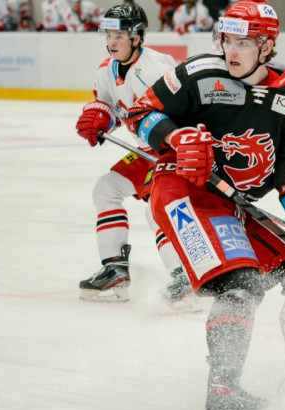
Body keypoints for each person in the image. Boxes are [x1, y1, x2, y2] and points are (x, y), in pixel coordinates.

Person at [124, 1, 285, 410]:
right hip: (183, 191)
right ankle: (224, 392)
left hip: (233, 204)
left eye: (245, 43)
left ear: (268, 46)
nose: (231, 51)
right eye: (227, 40)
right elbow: (140, 113)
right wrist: (176, 137)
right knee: (240, 285)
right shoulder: (197, 76)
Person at [74, 3, 194, 308]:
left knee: (156, 209)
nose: (111, 41)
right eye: (108, 34)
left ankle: (185, 275)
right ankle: (115, 268)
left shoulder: (157, 69)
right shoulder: (106, 69)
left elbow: (190, 111)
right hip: (148, 149)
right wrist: (100, 117)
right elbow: (111, 107)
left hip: (177, 149)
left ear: (137, 36)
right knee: (106, 189)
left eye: (119, 35)